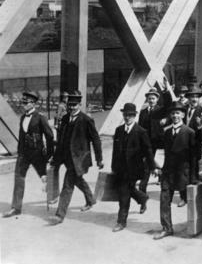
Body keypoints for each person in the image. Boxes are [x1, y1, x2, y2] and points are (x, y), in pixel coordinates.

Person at [50, 91, 103, 224]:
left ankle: (60, 215)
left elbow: (96, 140)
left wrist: (99, 159)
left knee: (68, 184)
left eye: (74, 105)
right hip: (67, 157)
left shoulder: (86, 120)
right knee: (77, 179)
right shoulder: (65, 118)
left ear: (80, 105)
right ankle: (91, 199)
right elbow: (61, 139)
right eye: (70, 105)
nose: (72, 107)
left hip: (79, 158)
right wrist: (55, 158)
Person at [3, 91, 54, 218]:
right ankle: (16, 208)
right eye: (23, 102)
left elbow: (49, 136)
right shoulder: (22, 117)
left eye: (26, 103)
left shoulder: (40, 117)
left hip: (37, 154)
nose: (24, 105)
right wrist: (20, 151)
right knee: (18, 178)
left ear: (33, 103)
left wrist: (49, 154)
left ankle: (53, 198)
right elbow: (21, 136)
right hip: (24, 154)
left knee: (45, 178)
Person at [153, 101, 197, 240]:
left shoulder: (189, 132)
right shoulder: (166, 132)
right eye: (172, 113)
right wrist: (158, 167)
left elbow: (194, 157)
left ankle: (196, 226)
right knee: (164, 199)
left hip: (183, 173)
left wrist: (193, 177)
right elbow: (161, 151)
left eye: (178, 113)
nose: (175, 116)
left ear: (183, 114)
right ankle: (167, 228)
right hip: (168, 172)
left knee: (191, 200)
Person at [111, 103, 156, 232]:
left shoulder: (141, 132)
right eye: (125, 115)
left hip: (134, 169)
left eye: (130, 115)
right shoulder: (119, 130)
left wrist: (152, 167)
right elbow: (115, 151)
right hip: (120, 168)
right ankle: (142, 197)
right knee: (129, 190)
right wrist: (114, 166)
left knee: (124, 194)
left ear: (135, 116)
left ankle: (121, 222)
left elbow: (148, 150)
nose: (127, 118)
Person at [138, 87, 170, 194]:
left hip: (159, 141)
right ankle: (143, 189)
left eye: (153, 98)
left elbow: (168, 105)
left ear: (157, 99)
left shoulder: (160, 110)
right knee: (147, 163)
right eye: (149, 98)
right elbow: (140, 127)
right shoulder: (143, 112)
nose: (151, 100)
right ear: (147, 99)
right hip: (147, 142)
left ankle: (162, 179)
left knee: (157, 162)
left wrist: (166, 92)